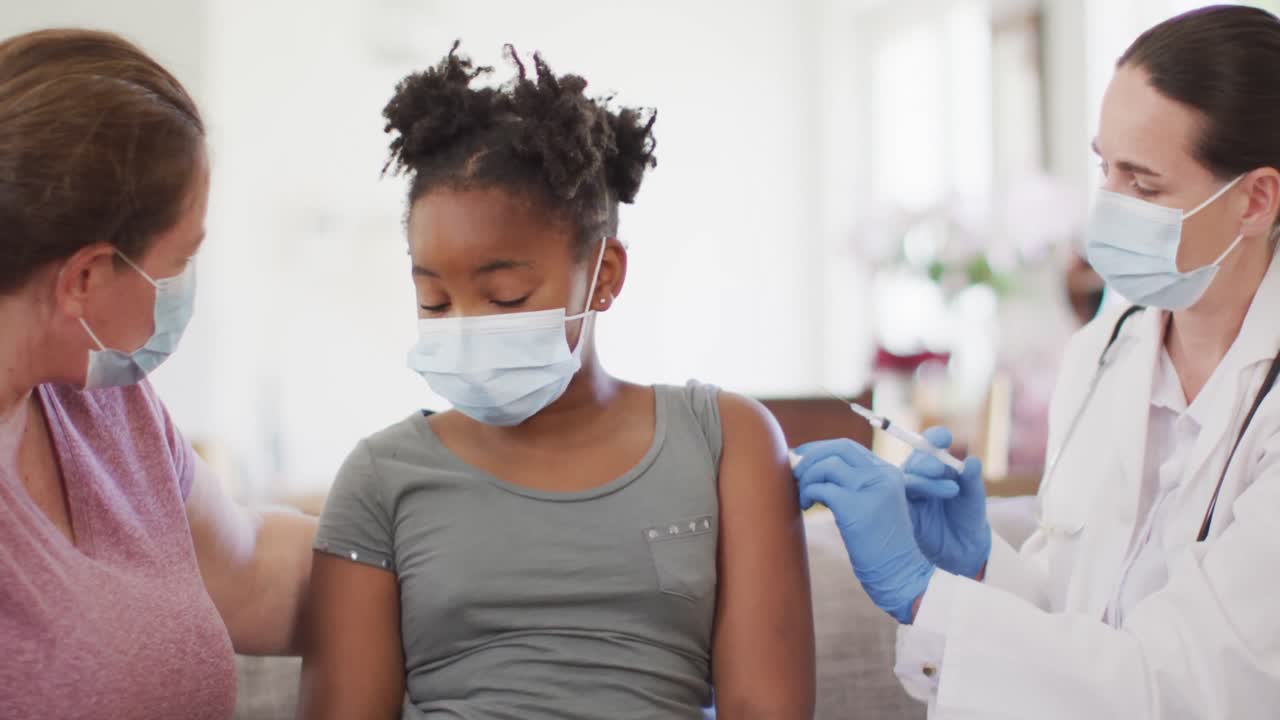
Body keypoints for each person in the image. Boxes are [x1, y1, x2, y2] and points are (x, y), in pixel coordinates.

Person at [298, 43, 815, 720]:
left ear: (603, 275)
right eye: (433, 301)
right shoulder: (380, 476)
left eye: (505, 297)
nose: (464, 326)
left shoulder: (728, 444)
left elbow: (767, 707)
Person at [792, 6, 1280, 718]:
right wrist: (981, 565)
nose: (1107, 210)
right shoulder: (1106, 352)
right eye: (1103, 169)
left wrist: (922, 594)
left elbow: (1181, 686)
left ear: (1256, 199)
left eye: (1144, 186)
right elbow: (1076, 628)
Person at [0, 29, 315, 719]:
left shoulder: (102, 402)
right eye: (179, 260)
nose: (185, 287)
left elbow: (251, 567)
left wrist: (430, 521)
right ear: (84, 276)